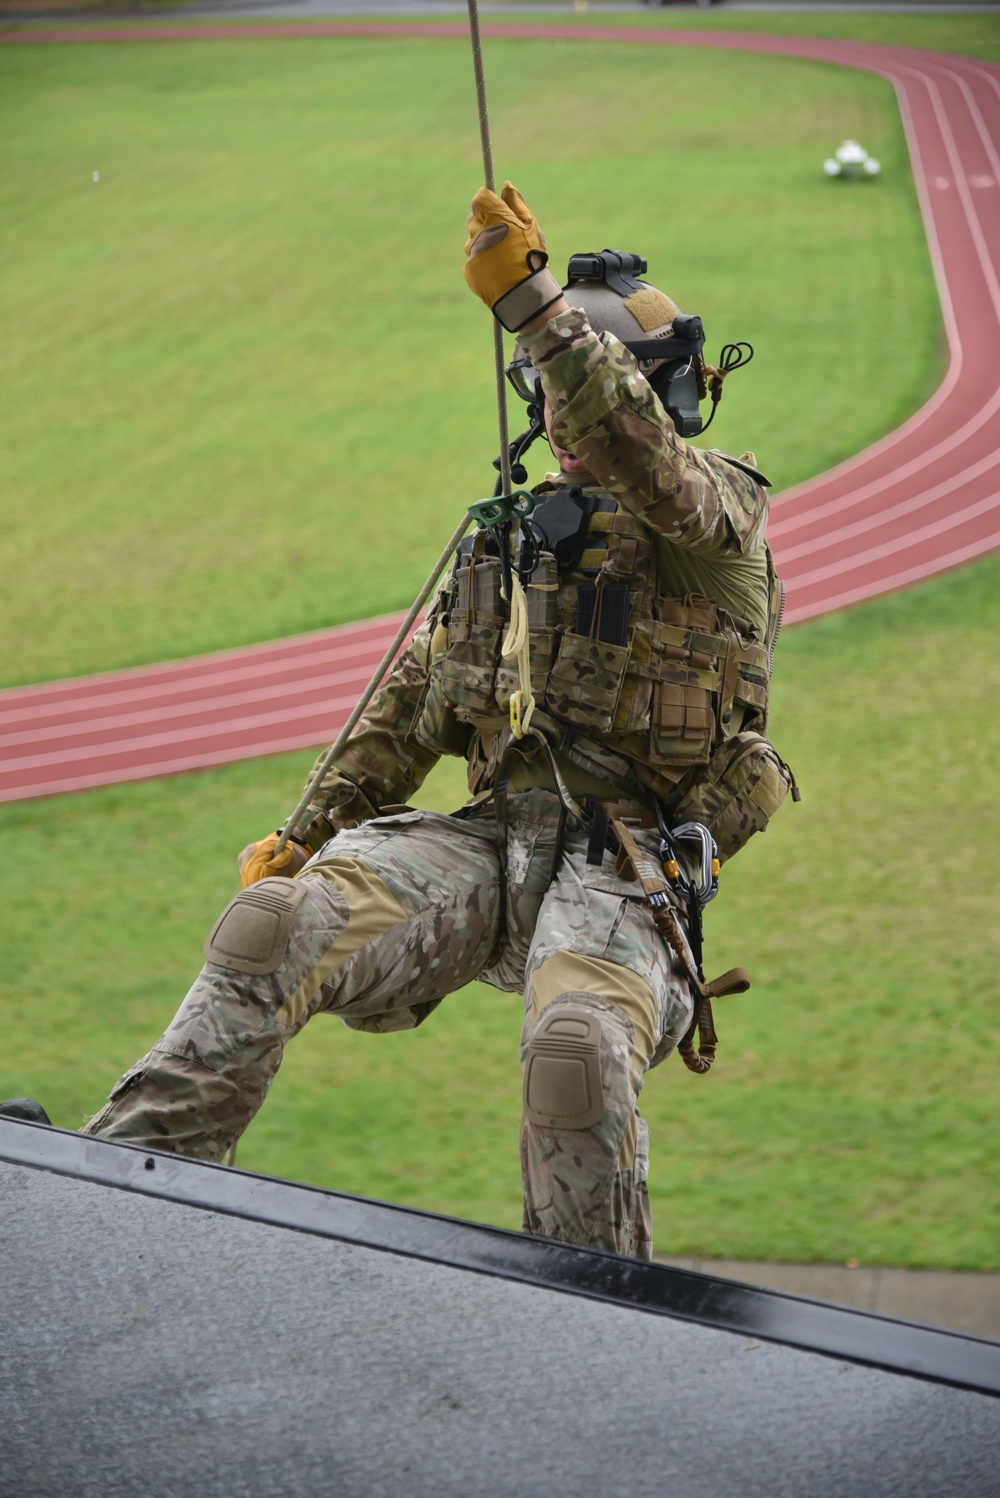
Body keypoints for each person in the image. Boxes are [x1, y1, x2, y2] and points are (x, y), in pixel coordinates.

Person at [38, 186, 794, 1258]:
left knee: (573, 1053)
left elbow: (641, 457)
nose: (551, 415)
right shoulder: (519, 535)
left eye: (564, 383)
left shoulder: (715, 516)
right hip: (493, 845)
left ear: (658, 389)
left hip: (626, 873)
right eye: (534, 387)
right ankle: (112, 1206)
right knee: (269, 931)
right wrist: (305, 834)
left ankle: (600, 1323)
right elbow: (412, 703)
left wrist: (533, 303)